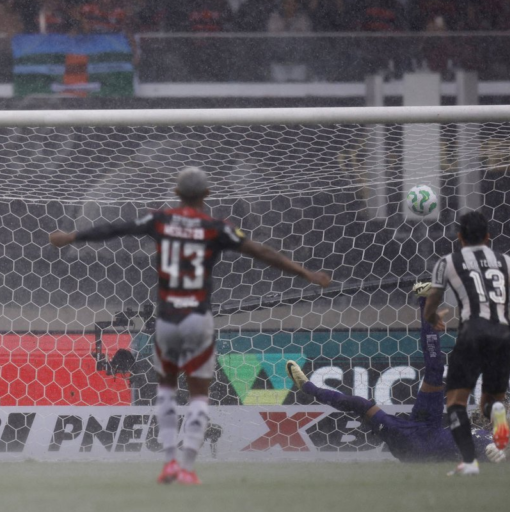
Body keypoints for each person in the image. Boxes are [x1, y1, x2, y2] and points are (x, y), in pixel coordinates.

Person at [50, 167, 330, 484]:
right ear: (207, 194)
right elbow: (262, 252)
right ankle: (187, 466)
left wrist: (72, 236)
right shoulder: (216, 228)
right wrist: (306, 273)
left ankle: (169, 462)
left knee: (166, 390)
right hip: (197, 318)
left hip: (167, 318)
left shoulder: (161, 221)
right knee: (198, 394)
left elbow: (115, 228)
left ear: (176, 193)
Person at [287, 282, 510, 464]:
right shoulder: (479, 436)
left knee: (364, 404)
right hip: (426, 430)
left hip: (414, 441)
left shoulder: (481, 443)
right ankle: (425, 303)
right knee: (435, 373)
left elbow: (508, 449)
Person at [423, 211, 510, 476]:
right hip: (504, 335)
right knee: (491, 400)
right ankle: (496, 410)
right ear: (488, 237)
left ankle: (469, 462)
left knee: (455, 402)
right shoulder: (505, 261)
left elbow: (434, 297)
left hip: (472, 333)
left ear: (459, 237)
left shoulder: (448, 261)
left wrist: (430, 317)